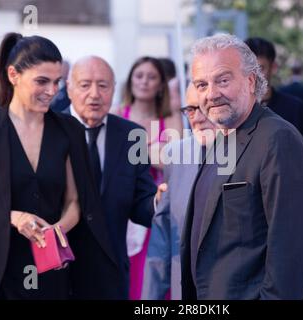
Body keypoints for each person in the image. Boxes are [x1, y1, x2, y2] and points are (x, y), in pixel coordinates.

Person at [0, 33, 101, 299]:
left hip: (51, 271)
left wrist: (55, 230)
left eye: (57, 82)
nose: (51, 91)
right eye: (42, 81)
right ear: (13, 75)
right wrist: (13, 217)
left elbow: (75, 201)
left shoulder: (68, 130)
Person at [181, 33, 303, 300]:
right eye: (201, 84)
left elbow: (289, 256)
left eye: (222, 80)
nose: (211, 94)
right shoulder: (223, 137)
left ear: (251, 81)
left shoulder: (278, 140)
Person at [65, 56, 161, 299]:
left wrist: (159, 203)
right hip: (59, 272)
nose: (94, 94)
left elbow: (142, 201)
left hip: (111, 272)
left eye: (103, 85)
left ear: (114, 89)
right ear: (69, 88)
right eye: (85, 85)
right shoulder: (51, 130)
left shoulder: (133, 135)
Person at [113, 56, 183, 299]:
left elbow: (173, 160)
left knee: (153, 270)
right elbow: (114, 161)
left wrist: (138, 152)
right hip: (123, 203)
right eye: (139, 75)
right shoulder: (117, 114)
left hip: (157, 203)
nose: (144, 82)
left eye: (151, 77)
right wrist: (153, 152)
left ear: (161, 84)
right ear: (130, 80)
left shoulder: (171, 118)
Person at [142, 84, 215, 300]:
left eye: (204, 108)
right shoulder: (176, 153)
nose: (197, 118)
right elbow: (163, 237)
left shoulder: (247, 151)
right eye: (190, 110)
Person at [244, 37, 303, 216]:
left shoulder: (295, 109)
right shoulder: (232, 112)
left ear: (273, 68)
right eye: (248, 69)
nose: (254, 75)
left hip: (287, 207)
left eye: (260, 68)